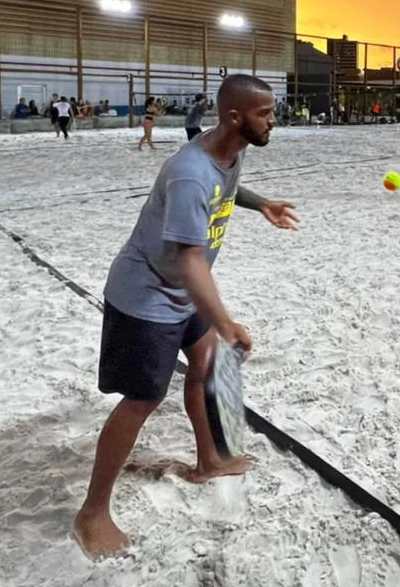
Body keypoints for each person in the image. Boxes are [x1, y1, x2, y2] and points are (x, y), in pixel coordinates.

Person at [72, 74, 299, 561]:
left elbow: (227, 190)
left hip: (182, 292)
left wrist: (262, 205)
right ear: (235, 116)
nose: (273, 121)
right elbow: (191, 258)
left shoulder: (230, 149)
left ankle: (208, 461)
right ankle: (91, 513)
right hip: (147, 296)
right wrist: (226, 319)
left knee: (206, 367)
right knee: (142, 399)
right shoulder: (190, 171)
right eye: (265, 113)